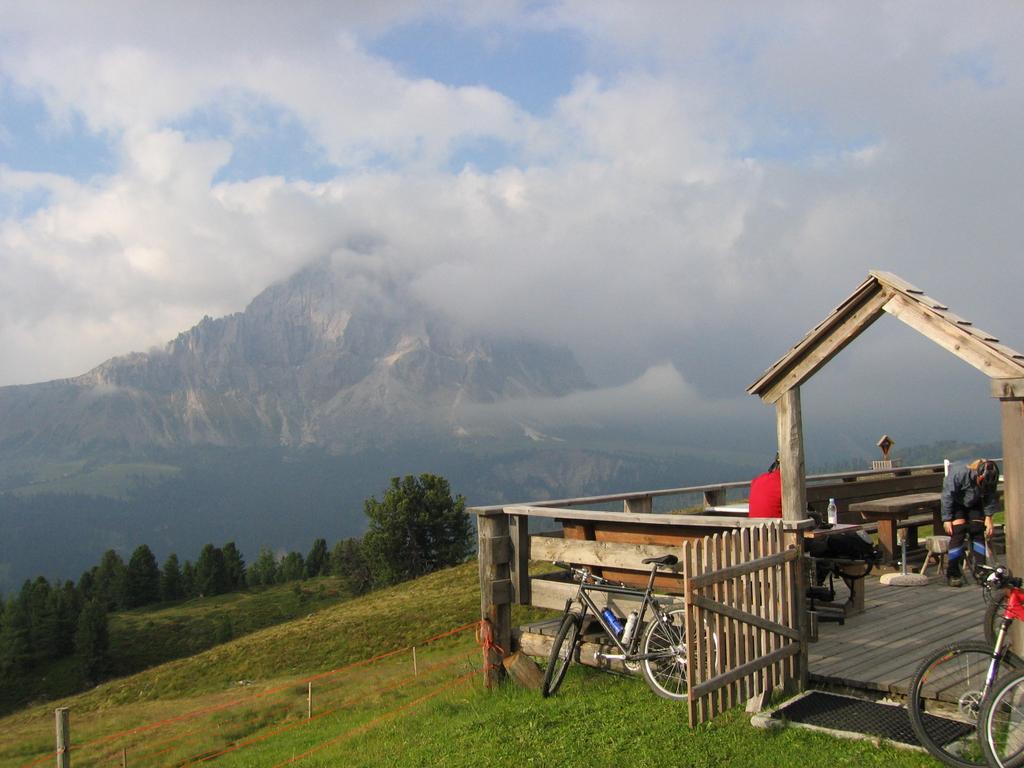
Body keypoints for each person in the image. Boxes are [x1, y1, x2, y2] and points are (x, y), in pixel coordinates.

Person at [942, 459, 1000, 587]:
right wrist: (947, 519)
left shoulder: (991, 479)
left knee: (977, 531)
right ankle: (953, 573)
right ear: (978, 475)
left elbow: (990, 497)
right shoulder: (959, 474)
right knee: (958, 532)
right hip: (957, 503)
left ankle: (981, 570)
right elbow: (947, 496)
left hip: (974, 503)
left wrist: (989, 518)